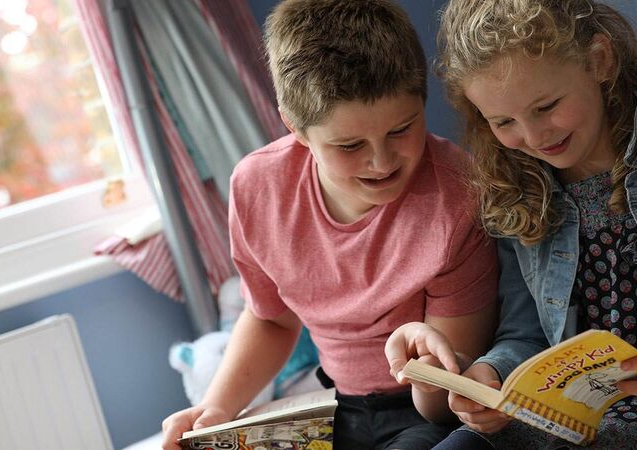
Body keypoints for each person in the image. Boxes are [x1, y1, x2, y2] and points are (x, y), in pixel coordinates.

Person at [385, 0, 637, 449]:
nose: (533, 136)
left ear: (599, 61)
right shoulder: (518, 193)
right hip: (563, 423)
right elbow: (525, 333)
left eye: (546, 106)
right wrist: (490, 376)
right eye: (504, 121)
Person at [160, 1, 500, 449]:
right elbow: (271, 320)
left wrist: (430, 368)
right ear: (295, 127)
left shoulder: (457, 195)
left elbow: (445, 399)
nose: (381, 162)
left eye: (402, 129)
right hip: (338, 405)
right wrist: (217, 409)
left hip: (429, 412)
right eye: (350, 144)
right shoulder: (258, 186)